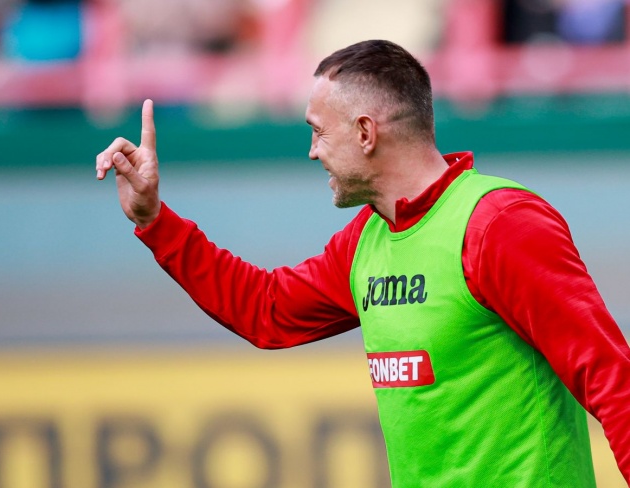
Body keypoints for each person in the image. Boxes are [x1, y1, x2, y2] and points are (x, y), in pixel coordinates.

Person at [95, 40, 630, 486]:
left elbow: (611, 378)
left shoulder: (500, 225)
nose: (312, 151)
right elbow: (265, 309)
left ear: (366, 133)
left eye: (318, 131)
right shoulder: (367, 239)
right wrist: (154, 220)